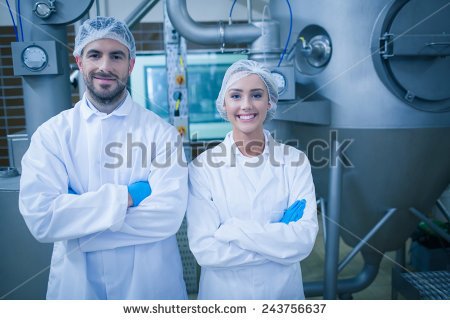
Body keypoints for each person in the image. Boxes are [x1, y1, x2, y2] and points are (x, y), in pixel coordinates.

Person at [19, 17, 188, 299]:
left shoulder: (163, 135)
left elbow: (167, 217)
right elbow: (41, 218)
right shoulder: (52, 135)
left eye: (117, 56)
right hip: (77, 289)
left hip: (149, 289)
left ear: (130, 64)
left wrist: (77, 226)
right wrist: (126, 198)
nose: (105, 67)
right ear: (79, 61)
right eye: (95, 54)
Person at [187, 59, 318, 299]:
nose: (246, 105)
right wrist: (278, 244)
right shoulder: (202, 168)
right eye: (236, 96)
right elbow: (205, 250)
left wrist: (233, 231)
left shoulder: (295, 162)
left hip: (282, 295)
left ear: (269, 102)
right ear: (224, 105)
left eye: (256, 95)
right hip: (225, 296)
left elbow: (304, 241)